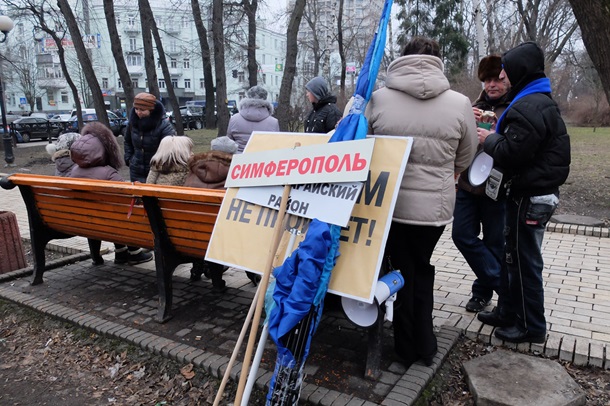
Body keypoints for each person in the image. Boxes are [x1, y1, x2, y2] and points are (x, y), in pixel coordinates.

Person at [365, 37, 477, 368]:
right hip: (435, 210)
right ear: (438, 61)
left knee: (402, 271)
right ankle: (425, 346)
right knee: (421, 269)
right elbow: (467, 156)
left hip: (390, 206)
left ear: (402, 59)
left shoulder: (377, 99)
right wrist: (446, 171)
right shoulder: (459, 103)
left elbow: (362, 149)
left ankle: (405, 349)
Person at [476, 42, 570, 343]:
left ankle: (531, 327)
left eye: (506, 70)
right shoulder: (536, 99)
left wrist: (490, 138)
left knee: (525, 262)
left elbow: (513, 153)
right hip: (530, 193)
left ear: (519, 70)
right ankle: (507, 311)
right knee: (512, 257)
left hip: (530, 196)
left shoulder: (528, 106)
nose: (502, 76)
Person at [452, 55, 511, 313]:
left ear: (507, 79)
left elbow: (519, 147)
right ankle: (505, 287)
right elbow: (458, 142)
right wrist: (468, 120)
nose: (491, 85)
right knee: (462, 235)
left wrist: (498, 134)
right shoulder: (472, 107)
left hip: (496, 185)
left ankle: (481, 293)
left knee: (494, 242)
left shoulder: (515, 107)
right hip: (467, 183)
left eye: (497, 79)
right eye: (487, 80)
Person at [70, 122, 153, 265]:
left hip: (86, 221)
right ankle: (134, 252)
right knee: (126, 211)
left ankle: (120, 252)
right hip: (111, 222)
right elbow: (129, 197)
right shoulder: (108, 173)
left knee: (109, 212)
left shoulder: (74, 172)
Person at [184, 136, 239, 291]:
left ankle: (197, 269)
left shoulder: (195, 168)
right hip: (218, 236)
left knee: (200, 221)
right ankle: (216, 279)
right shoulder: (235, 171)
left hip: (188, 233)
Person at [124, 92, 176, 182]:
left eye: (142, 110)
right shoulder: (132, 124)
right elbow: (127, 141)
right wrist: (129, 159)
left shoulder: (164, 126)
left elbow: (170, 149)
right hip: (136, 169)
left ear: (151, 110)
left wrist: (159, 166)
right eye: (136, 109)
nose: (138, 112)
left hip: (157, 171)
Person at [227, 85, 279, 153]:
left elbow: (229, 142)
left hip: (239, 160)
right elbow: (275, 145)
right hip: (263, 160)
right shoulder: (273, 122)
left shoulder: (234, 119)